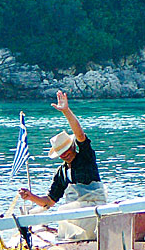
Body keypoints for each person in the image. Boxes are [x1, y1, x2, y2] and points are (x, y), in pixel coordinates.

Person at [18, 90, 107, 240]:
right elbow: (49, 201)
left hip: (95, 211)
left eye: (66, 149)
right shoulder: (61, 173)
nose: (65, 154)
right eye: (61, 152)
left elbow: (80, 135)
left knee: (65, 212)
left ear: (72, 146)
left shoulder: (86, 157)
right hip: (75, 219)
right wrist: (30, 197)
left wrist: (66, 111)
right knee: (63, 212)